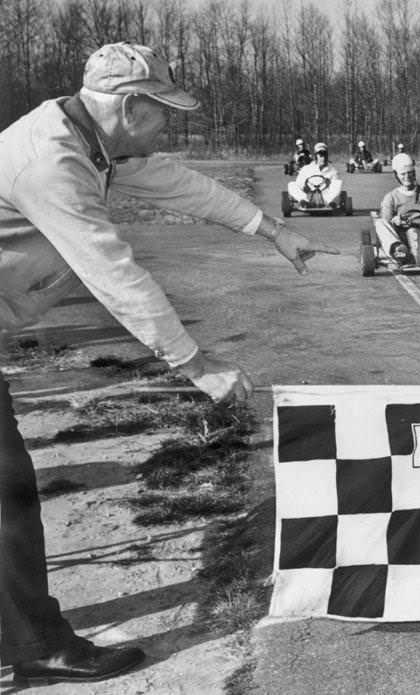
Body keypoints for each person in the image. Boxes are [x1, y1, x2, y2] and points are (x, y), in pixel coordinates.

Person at [0, 41, 335, 685]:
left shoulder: (86, 138)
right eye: (163, 113)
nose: (169, 124)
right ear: (129, 108)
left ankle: (23, 633)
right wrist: (194, 363)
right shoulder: (53, 163)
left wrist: (272, 229)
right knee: (6, 493)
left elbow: (180, 185)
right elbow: (113, 271)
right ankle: (34, 643)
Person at [287, 142, 342, 207]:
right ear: (316, 156)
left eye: (325, 154)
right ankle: (304, 202)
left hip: (325, 197)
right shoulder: (307, 168)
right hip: (308, 196)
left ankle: (330, 203)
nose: (323, 157)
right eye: (321, 155)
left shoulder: (332, 170)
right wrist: (305, 187)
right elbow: (299, 183)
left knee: (338, 183)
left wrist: (329, 185)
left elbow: (335, 188)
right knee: (291, 184)